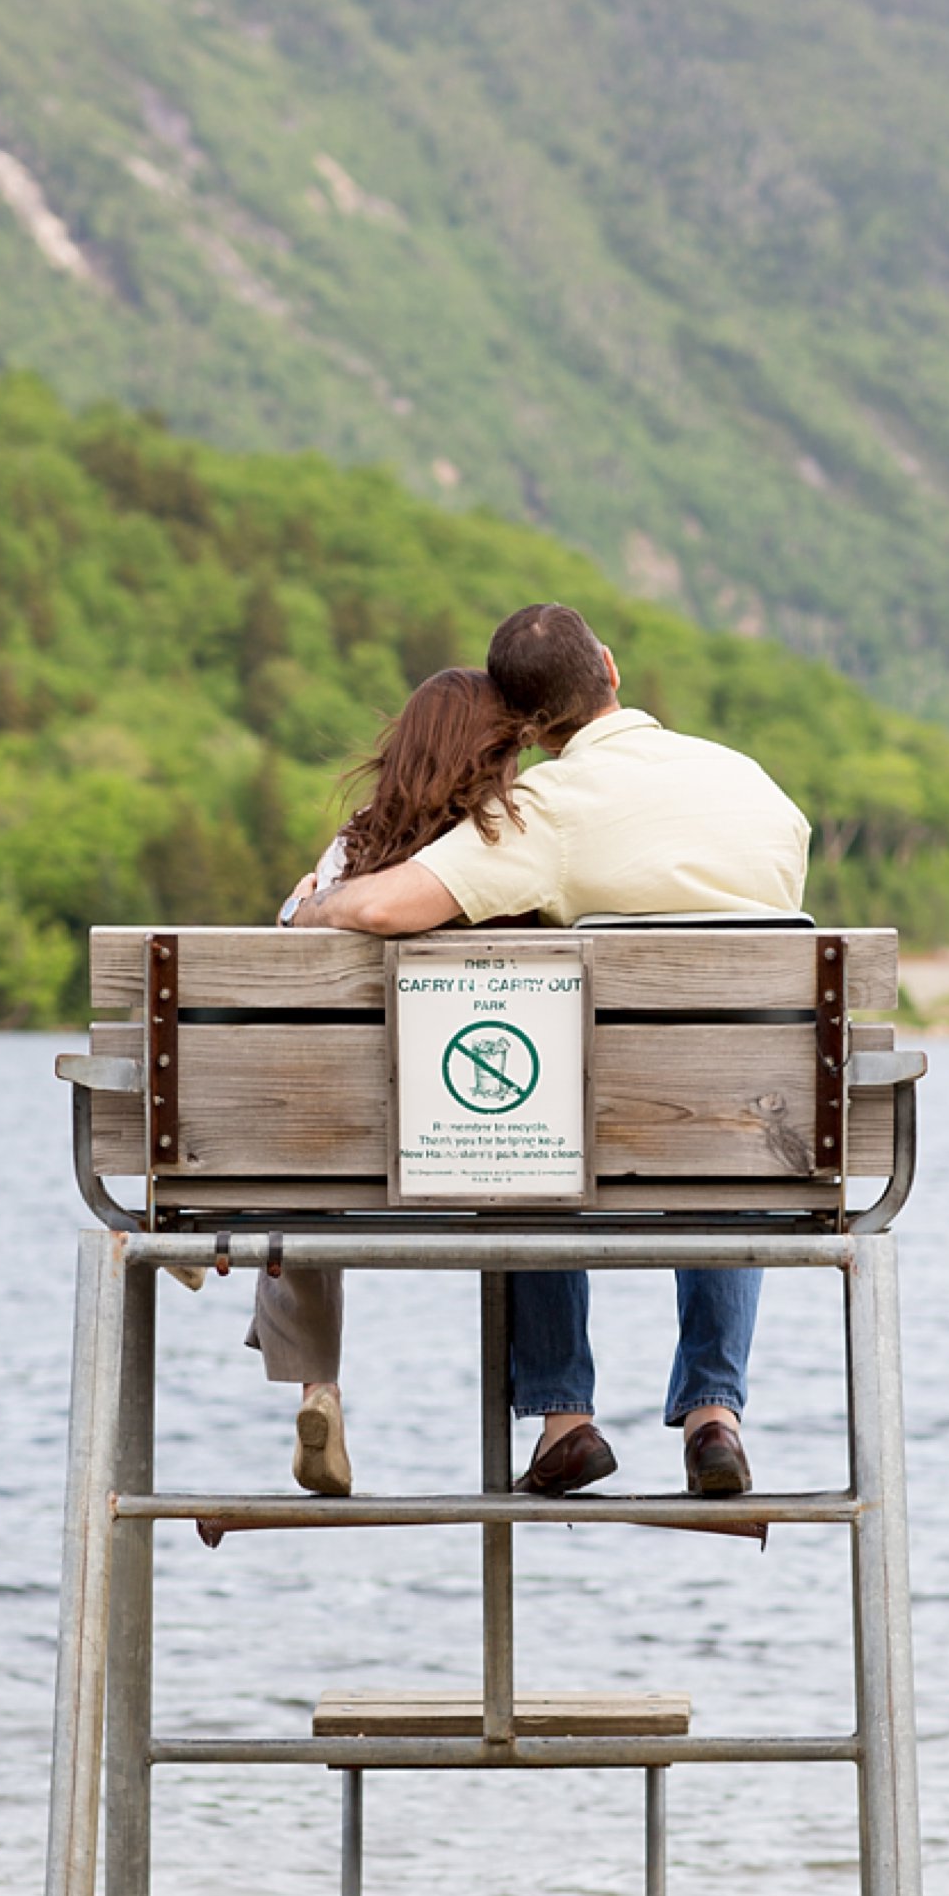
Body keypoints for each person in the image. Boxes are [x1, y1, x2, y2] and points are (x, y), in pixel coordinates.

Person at [286, 600, 811, 1499]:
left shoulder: (544, 811)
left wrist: (315, 906)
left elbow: (380, 908)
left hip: (594, 1126)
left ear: (526, 726)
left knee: (529, 1141)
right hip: (756, 1123)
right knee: (725, 1139)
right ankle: (714, 1413)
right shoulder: (755, 787)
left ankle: (566, 1417)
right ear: (609, 666)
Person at [252, 665, 526, 1498]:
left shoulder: (352, 852)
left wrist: (299, 908)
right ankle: (563, 1411)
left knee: (298, 1161)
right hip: (488, 1141)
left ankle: (318, 1388)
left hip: (341, 1153)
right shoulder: (508, 845)